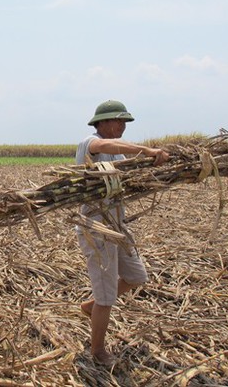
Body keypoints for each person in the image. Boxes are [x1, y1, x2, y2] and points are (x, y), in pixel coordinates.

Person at [75, 100, 169, 366]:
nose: (123, 126)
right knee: (106, 296)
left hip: (118, 226)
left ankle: (90, 307)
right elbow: (105, 146)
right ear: (102, 122)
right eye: (119, 121)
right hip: (97, 229)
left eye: (126, 122)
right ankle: (98, 351)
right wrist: (146, 149)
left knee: (137, 276)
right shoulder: (90, 143)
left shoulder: (119, 156)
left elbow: (131, 173)